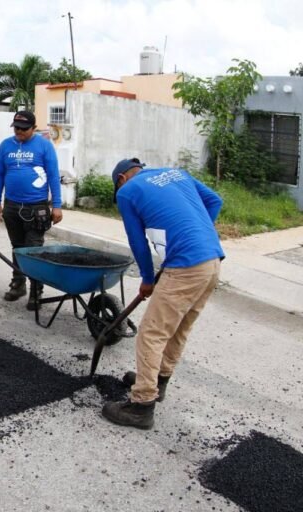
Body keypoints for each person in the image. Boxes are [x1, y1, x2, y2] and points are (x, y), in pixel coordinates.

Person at [101, 158, 224, 430]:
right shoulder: (175, 173)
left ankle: (141, 406)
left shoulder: (127, 192)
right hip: (212, 260)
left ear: (121, 178)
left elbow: (137, 241)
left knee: (151, 333)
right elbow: (215, 201)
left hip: (186, 266)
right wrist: (195, 236)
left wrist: (147, 278)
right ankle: (158, 382)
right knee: (179, 328)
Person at [0, 111, 62, 310]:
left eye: (24, 129)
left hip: (37, 206)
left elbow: (53, 176)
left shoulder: (44, 145)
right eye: (16, 128)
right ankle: (18, 283)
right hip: (12, 205)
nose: (19, 132)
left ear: (33, 128)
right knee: (17, 247)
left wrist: (56, 205)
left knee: (34, 250)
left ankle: (35, 290)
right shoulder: (6, 145)